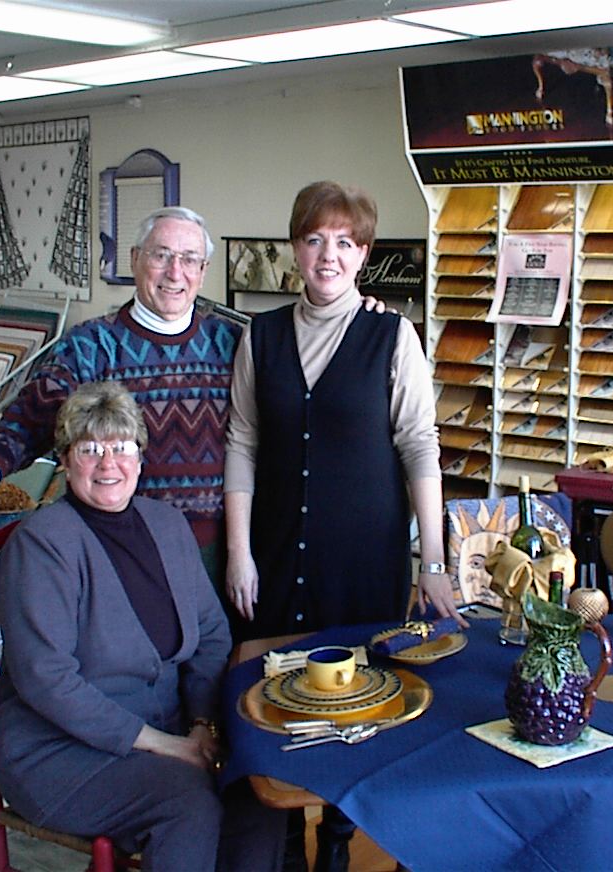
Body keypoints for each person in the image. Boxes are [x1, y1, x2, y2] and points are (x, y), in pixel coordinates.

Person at [222, 180, 465, 872]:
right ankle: (278, 852)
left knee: (359, 712)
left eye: (345, 242)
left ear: (363, 253)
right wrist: (238, 553)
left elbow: (420, 446)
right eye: (314, 239)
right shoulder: (261, 336)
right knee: (274, 706)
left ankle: (337, 846)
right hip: (274, 557)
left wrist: (433, 563)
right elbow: (242, 442)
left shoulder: (393, 335)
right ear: (295, 248)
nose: (328, 255)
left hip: (361, 562)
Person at [0, 382, 283, 870]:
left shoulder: (167, 525)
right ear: (65, 461)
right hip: (58, 753)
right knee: (187, 801)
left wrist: (203, 724)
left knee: (260, 784)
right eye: (90, 449)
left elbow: (211, 634)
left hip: (171, 731)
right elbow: (46, 679)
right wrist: (165, 746)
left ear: (141, 458)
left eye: (121, 447)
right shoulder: (41, 544)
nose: (108, 464)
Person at [0, 206, 239, 580]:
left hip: (215, 552)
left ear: (203, 271)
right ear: (135, 259)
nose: (175, 272)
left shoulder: (232, 343)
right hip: (117, 548)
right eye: (161, 255)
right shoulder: (91, 345)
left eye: (189, 259)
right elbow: (31, 417)